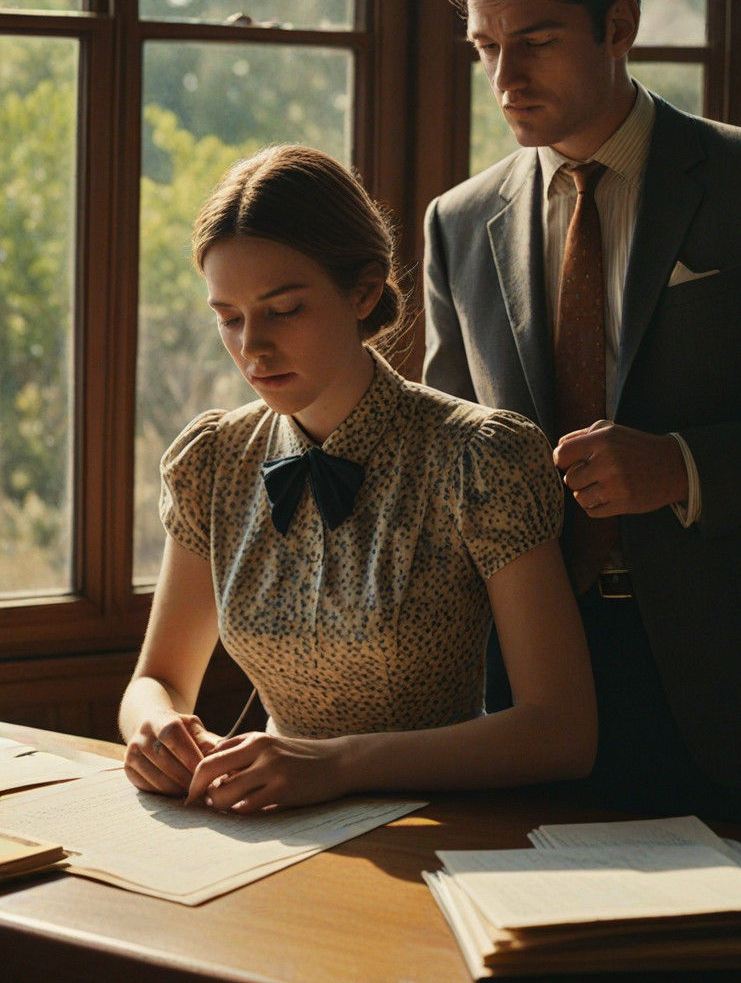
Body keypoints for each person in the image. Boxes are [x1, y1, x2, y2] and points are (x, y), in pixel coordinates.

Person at [423, 0, 741, 825]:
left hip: (735, 689)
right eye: (485, 49)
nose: (504, 79)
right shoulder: (458, 224)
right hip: (530, 690)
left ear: (620, 25)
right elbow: (443, 454)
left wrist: (684, 468)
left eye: (532, 42)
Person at [119, 144, 596, 812]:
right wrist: (153, 728)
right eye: (228, 318)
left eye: (283, 310)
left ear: (364, 290)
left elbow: (562, 732)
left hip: (439, 829)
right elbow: (159, 679)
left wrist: (338, 765)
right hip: (266, 824)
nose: (251, 348)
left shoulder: (479, 457)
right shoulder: (213, 460)